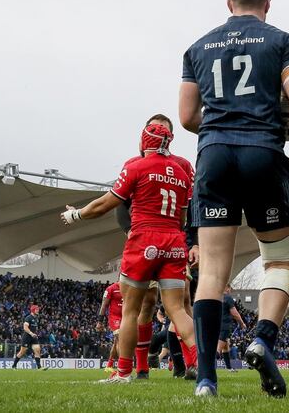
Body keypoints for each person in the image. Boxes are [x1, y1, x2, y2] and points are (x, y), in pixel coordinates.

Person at [178, 0, 289, 398]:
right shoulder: (283, 41)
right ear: (267, 4)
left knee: (212, 272)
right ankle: (262, 340)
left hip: (215, 154)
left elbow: (185, 117)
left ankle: (205, 380)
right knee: (278, 261)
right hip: (264, 153)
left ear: (228, 2)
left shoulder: (197, 47)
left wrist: (220, 127)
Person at [60, 123, 197, 383]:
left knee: (130, 311)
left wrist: (75, 214)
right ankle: (200, 363)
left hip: (145, 239)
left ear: (145, 140)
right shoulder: (181, 172)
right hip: (174, 240)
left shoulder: (136, 166)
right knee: (178, 310)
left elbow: (104, 205)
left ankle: (123, 373)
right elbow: (182, 217)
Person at [115, 113, 198, 380]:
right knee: (147, 304)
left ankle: (191, 364)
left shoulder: (183, 165)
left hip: (164, 240)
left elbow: (192, 205)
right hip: (150, 240)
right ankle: (141, 368)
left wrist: (194, 241)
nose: (160, 131)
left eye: (164, 128)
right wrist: (131, 232)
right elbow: (122, 205)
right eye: (156, 128)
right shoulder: (135, 164)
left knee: (182, 301)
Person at [217, 286, 246, 373]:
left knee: (226, 346)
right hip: (224, 326)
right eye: (230, 289)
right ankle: (202, 368)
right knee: (218, 350)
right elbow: (234, 313)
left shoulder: (216, 297)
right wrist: (242, 323)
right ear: (226, 288)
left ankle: (229, 368)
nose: (230, 291)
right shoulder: (227, 298)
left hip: (216, 325)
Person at [98, 281, 123, 372]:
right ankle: (122, 366)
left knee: (117, 341)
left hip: (126, 317)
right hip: (115, 318)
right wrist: (100, 321)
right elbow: (104, 305)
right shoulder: (111, 289)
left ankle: (109, 365)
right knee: (120, 338)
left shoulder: (129, 288)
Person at [11, 304, 45, 370]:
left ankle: (39, 367)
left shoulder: (36, 319)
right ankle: (14, 365)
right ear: (33, 310)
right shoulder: (28, 318)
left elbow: (34, 328)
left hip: (33, 337)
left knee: (37, 350)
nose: (38, 310)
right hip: (27, 337)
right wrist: (31, 333)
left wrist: (35, 334)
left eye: (38, 309)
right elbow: (25, 327)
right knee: (22, 352)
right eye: (36, 309)